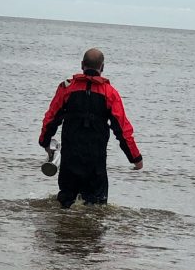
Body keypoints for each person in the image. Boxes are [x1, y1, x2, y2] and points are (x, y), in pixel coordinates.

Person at [39, 48, 143, 208]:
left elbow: (51, 118)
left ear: (82, 65)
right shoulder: (110, 93)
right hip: (95, 164)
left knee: (65, 205)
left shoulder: (67, 88)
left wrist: (45, 142)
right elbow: (123, 130)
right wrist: (136, 159)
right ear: (102, 68)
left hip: (69, 161)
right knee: (96, 209)